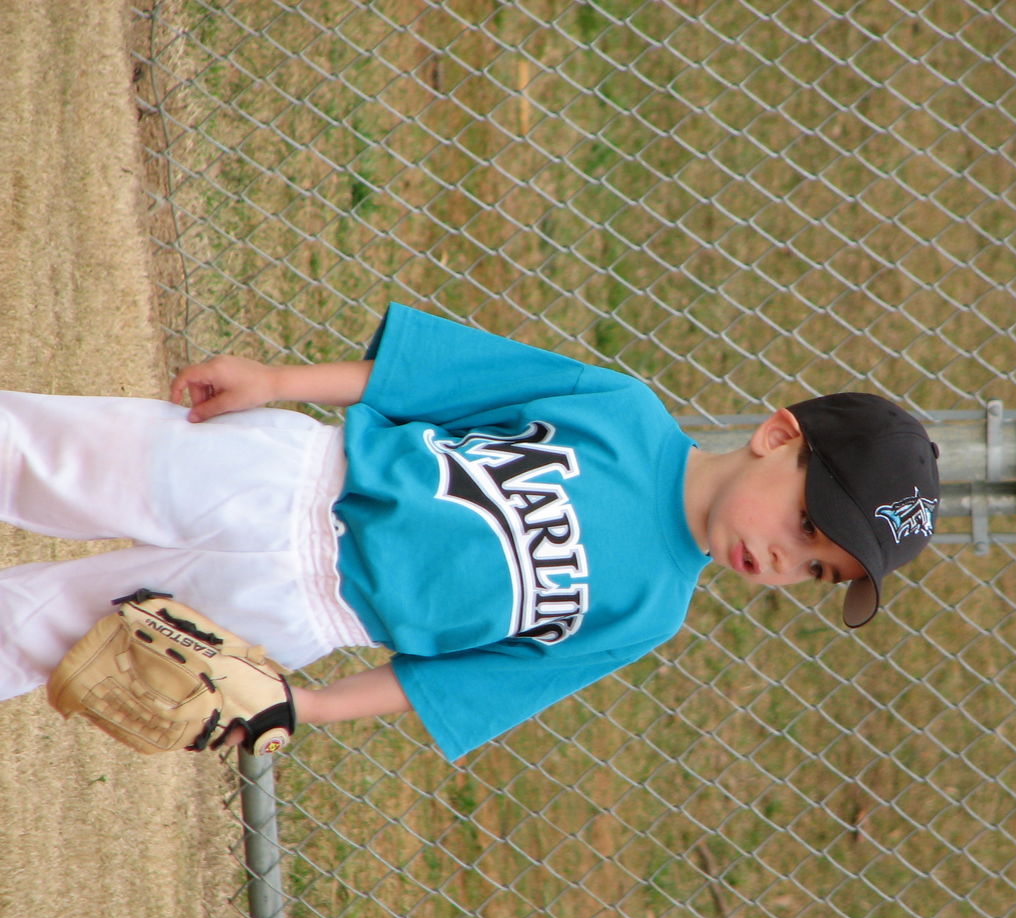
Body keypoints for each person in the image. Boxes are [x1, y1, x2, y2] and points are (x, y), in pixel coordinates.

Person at [0, 302, 939, 761]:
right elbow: (428, 380)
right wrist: (278, 382)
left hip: (299, 612)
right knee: (43, 454)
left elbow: (450, 686)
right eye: (810, 522)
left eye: (816, 569)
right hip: (286, 474)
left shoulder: (646, 611)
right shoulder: (620, 409)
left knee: (45, 635)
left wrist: (301, 707)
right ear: (778, 437)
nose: (786, 557)